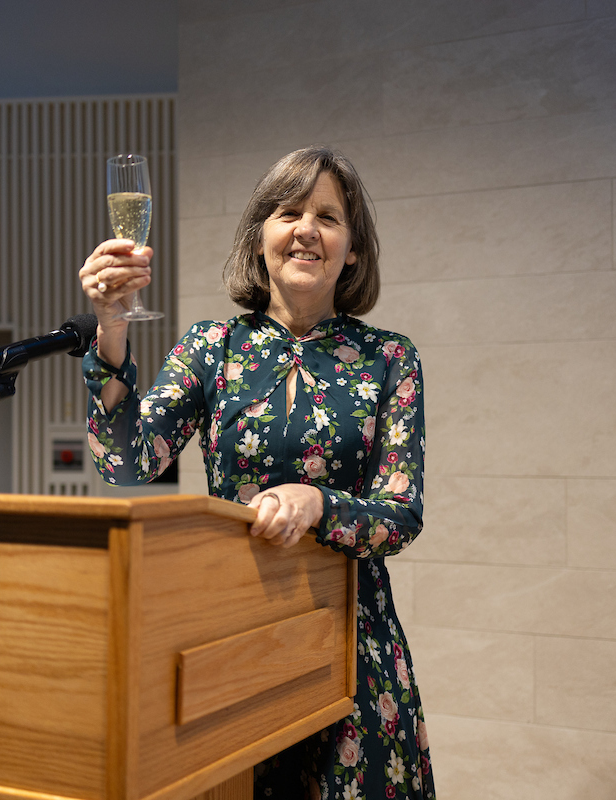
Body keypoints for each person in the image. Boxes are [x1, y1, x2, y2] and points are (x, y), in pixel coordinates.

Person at [78, 146, 435, 800]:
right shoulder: (211, 347)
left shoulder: (390, 358)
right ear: (260, 238)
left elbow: (400, 514)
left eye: (327, 216)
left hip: (355, 652)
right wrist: (111, 326)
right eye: (288, 211)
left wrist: (319, 504)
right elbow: (124, 461)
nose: (305, 228)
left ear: (352, 249)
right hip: (235, 649)